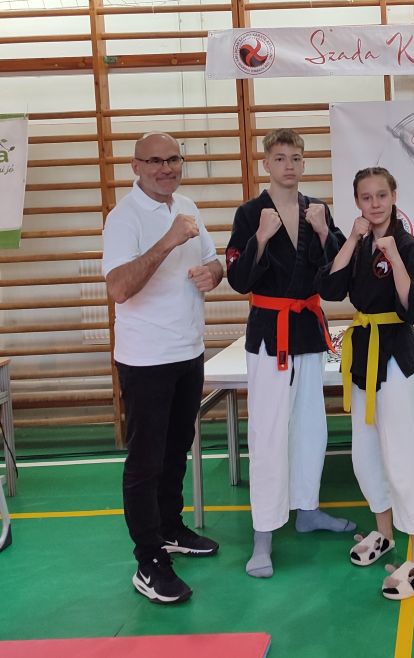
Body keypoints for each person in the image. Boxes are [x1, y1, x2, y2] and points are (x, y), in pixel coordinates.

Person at [226, 128, 354, 579]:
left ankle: (307, 508)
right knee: (268, 432)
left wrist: (323, 232)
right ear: (266, 164)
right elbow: (238, 280)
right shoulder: (250, 214)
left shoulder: (317, 209)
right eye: (280, 158)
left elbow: (340, 273)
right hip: (268, 333)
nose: (289, 166)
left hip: (306, 330)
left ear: (304, 162)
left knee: (310, 426)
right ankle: (263, 533)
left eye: (296, 158)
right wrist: (260, 239)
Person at [102, 132, 223, 604]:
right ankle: (148, 559)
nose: (165, 168)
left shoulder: (187, 205)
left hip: (187, 350)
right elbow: (119, 288)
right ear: (136, 166)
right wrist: (167, 242)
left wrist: (213, 274)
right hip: (146, 359)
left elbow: (214, 262)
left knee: (176, 450)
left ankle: (170, 527)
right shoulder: (123, 218)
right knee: (146, 461)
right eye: (154, 161)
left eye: (173, 159)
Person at [316, 166, 414, 600]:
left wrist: (396, 258)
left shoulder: (406, 244)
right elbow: (330, 288)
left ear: (393, 196)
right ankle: (384, 533)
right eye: (366, 197)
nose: (375, 204)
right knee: (366, 455)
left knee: (402, 458)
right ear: (357, 202)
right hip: (363, 354)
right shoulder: (360, 243)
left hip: (396, 357)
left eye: (381, 195)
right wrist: (351, 240)